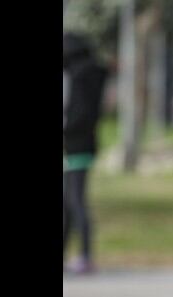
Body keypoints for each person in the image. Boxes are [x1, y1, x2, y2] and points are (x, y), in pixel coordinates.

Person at [63, 32, 107, 274]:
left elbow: (80, 114)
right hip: (77, 144)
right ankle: (77, 255)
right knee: (67, 203)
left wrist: (65, 129)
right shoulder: (87, 74)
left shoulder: (80, 77)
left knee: (76, 201)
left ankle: (86, 256)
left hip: (77, 145)